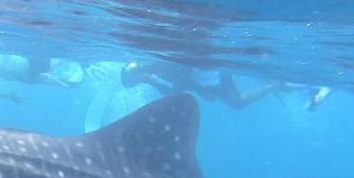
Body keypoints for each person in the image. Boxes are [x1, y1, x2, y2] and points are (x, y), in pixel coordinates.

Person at [119, 60, 280, 110]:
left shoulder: (161, 67)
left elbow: (177, 94)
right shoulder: (156, 68)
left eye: (135, 80)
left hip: (214, 76)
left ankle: (272, 85)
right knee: (236, 103)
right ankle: (272, 84)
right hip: (206, 78)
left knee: (237, 103)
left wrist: (152, 81)